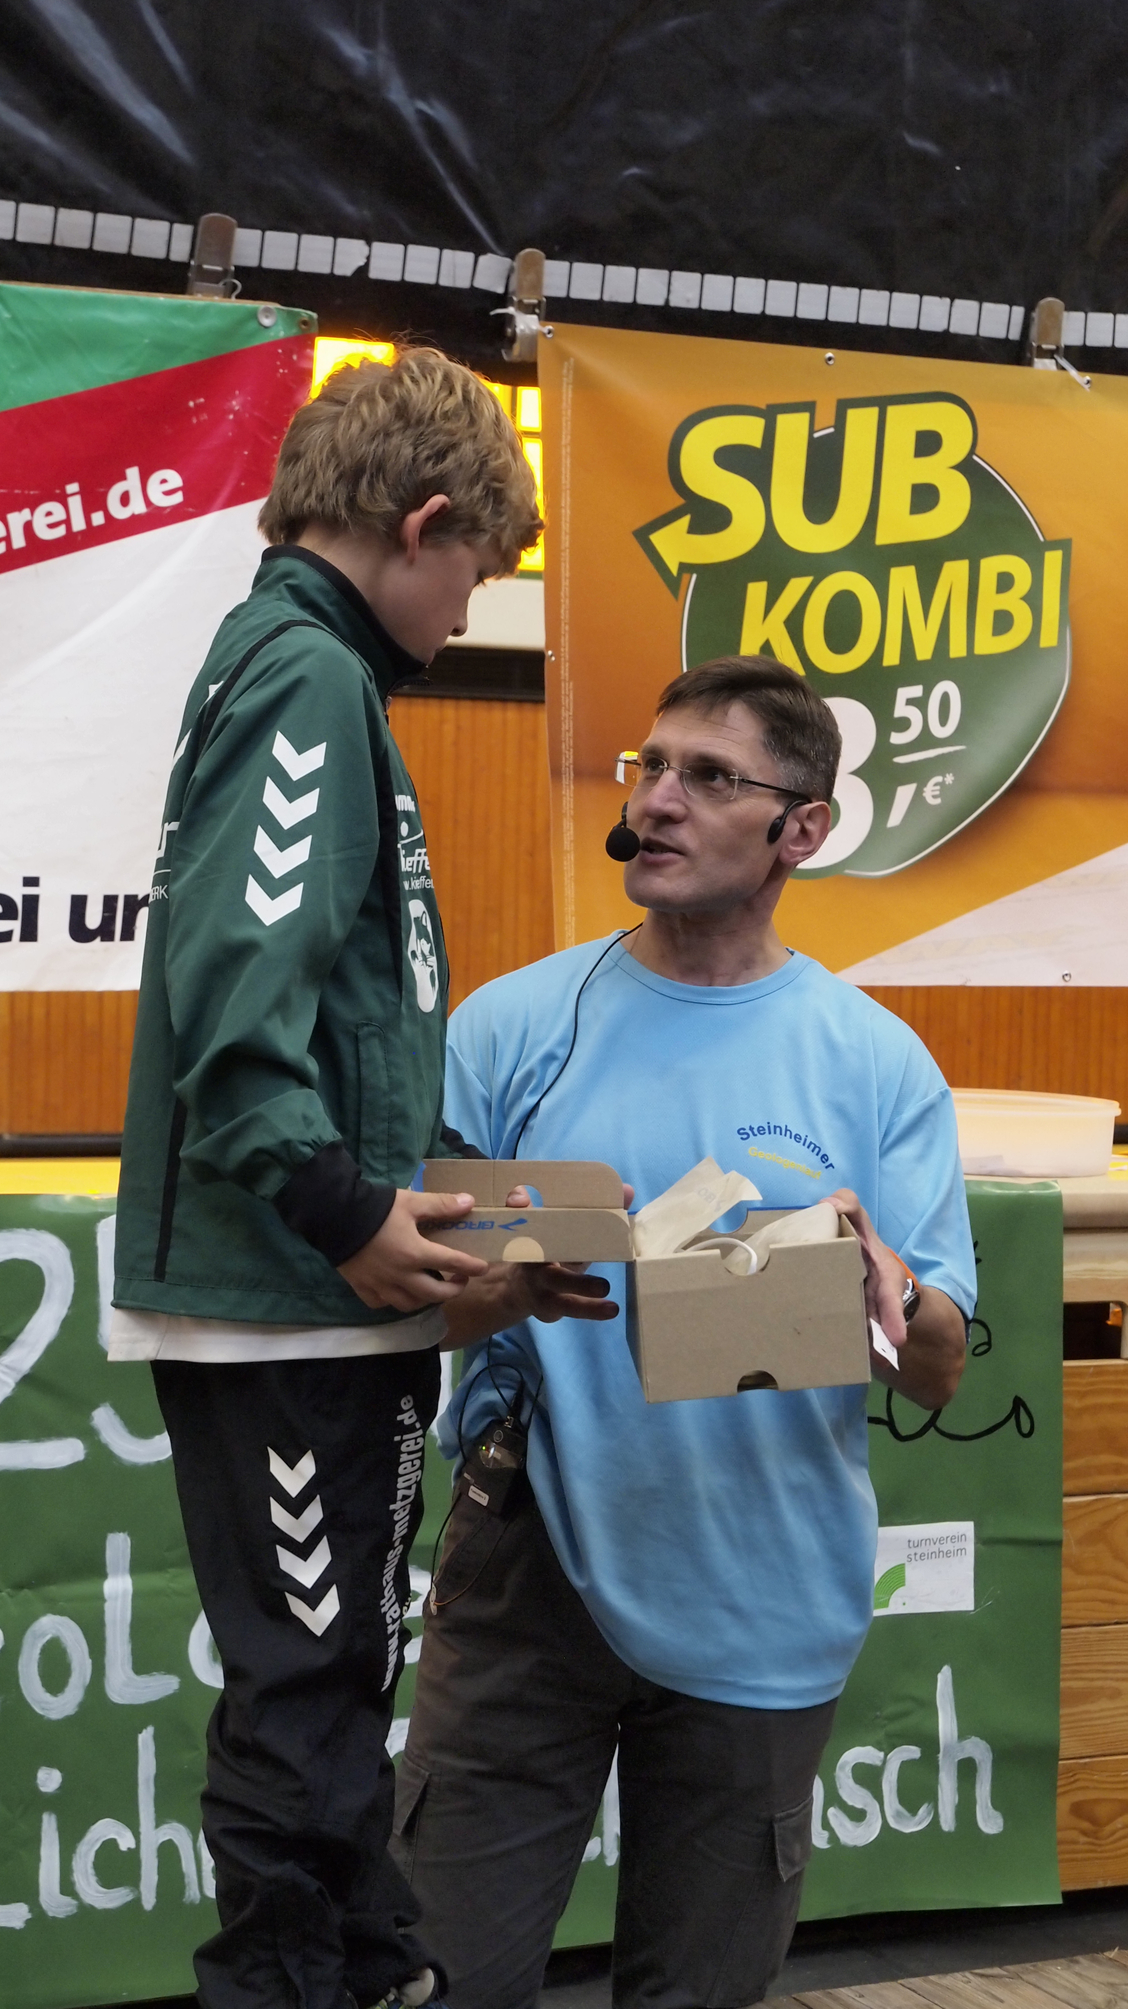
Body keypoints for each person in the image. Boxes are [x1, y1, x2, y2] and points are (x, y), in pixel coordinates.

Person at [110, 349, 591, 2009]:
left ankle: (371, 1961)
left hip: (320, 1294)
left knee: (334, 1674)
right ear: (425, 522)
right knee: (306, 1690)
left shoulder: (313, 677)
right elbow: (235, 1006)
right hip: (285, 1294)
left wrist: (450, 1208)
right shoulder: (305, 677)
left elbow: (330, 1026)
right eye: (480, 574)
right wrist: (344, 1211)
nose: (469, 612)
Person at [394, 656, 975, 2009]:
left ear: (802, 828)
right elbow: (423, 1297)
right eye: (650, 767)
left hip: (765, 1582)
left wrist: (881, 1291)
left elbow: (939, 1370)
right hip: (526, 1566)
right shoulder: (510, 1026)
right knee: (441, 1977)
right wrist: (513, 1290)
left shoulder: (875, 1059)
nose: (657, 801)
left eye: (710, 778)